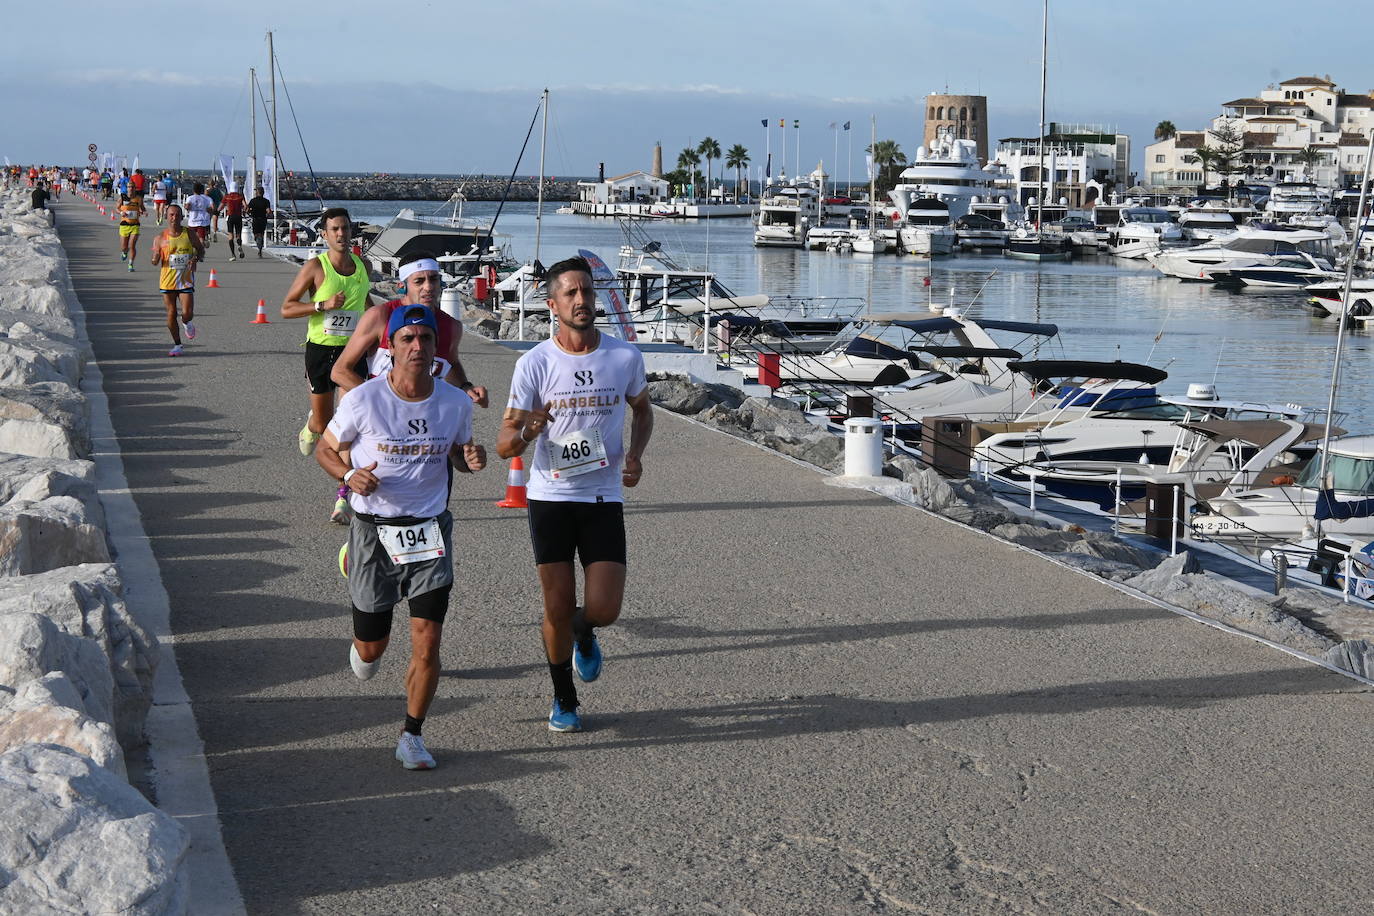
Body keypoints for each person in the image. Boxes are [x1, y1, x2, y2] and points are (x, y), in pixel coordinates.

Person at [315, 304, 486, 770]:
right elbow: (324, 449)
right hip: (374, 531)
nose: (417, 346)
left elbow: (456, 454)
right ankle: (354, 568)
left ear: (436, 349)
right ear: (389, 347)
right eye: (407, 338)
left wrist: (470, 458)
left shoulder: (454, 402)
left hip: (430, 530)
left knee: (428, 639)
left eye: (425, 339)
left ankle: (412, 734)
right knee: (372, 647)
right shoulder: (364, 399)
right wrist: (349, 474)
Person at [496, 256, 653, 733]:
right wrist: (529, 432)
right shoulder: (535, 364)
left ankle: (585, 632)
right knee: (556, 606)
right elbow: (504, 443)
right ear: (552, 305)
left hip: (603, 495)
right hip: (551, 497)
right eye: (571, 293)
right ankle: (563, 697)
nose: (582, 300)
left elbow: (643, 412)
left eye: (587, 291)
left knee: (604, 609)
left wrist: (636, 456)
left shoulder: (624, 357)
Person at [280, 207, 379, 518]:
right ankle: (312, 424)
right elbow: (286, 308)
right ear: (323, 234)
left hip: (353, 354)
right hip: (321, 352)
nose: (341, 234)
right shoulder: (315, 267)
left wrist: (383, 329)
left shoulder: (363, 265)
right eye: (334, 229)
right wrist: (321, 304)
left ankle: (343, 496)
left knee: (352, 426)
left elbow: (366, 303)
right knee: (326, 425)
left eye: (345, 228)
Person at [149, 203, 204, 357]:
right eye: (171, 215)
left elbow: (200, 250)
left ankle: (186, 323)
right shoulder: (159, 238)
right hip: (167, 281)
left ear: (182, 217)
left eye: (177, 215)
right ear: (166, 217)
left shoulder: (189, 234)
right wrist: (156, 257)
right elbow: (154, 261)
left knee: (187, 313)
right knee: (171, 314)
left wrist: (195, 259)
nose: (174, 218)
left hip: (185, 280)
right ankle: (178, 345)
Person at [183, 182, 215, 254]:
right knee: (201, 238)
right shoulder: (207, 198)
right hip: (202, 222)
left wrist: (187, 207)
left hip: (192, 221)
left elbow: (187, 206)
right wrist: (208, 211)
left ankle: (194, 252)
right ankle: (201, 250)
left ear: (193, 190)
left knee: (191, 238)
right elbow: (212, 208)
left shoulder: (190, 198)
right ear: (201, 190)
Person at [116, 192, 144, 270]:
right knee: (124, 247)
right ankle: (124, 252)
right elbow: (117, 209)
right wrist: (121, 212)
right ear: (127, 188)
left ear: (134, 189)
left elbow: (142, 207)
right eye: (129, 187)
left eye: (132, 187)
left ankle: (130, 264)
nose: (130, 189)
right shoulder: (122, 197)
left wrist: (143, 211)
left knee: (132, 246)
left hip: (135, 225)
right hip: (124, 224)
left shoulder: (139, 198)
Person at [220, 182, 246, 261]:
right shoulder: (240, 197)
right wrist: (244, 211)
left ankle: (233, 255)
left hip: (230, 217)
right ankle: (239, 245)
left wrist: (217, 211)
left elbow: (220, 207)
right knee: (238, 234)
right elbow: (245, 205)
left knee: (230, 236)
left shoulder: (227, 197)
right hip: (238, 217)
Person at [246, 187, 271, 257]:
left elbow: (247, 210)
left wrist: (248, 212)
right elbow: (268, 211)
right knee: (261, 233)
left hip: (255, 219)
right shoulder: (266, 201)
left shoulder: (253, 201)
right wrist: (269, 214)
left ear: (257, 192)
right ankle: (260, 249)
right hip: (263, 219)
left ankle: (258, 242)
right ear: (263, 193)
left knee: (256, 234)